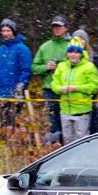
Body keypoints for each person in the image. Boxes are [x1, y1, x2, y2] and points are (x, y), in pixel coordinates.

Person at [51, 38, 98, 145]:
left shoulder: (89, 67)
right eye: (70, 51)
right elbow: (54, 84)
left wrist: (77, 88)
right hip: (65, 110)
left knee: (81, 141)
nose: (73, 55)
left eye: (76, 52)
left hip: (82, 111)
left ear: (81, 53)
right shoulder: (61, 66)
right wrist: (60, 89)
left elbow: (94, 86)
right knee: (67, 140)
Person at [32, 14, 72, 143]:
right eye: (54, 27)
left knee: (68, 120)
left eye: (59, 26)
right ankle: (54, 148)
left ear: (66, 28)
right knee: (53, 120)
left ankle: (68, 145)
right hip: (49, 89)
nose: (56, 29)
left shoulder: (73, 44)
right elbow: (34, 68)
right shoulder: (45, 46)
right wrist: (46, 67)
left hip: (68, 89)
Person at [0, 18, 32, 131]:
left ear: (13, 32)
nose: (5, 34)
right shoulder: (0, 50)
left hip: (15, 93)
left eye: (8, 31)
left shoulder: (22, 49)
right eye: (3, 31)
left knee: (14, 125)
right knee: (1, 126)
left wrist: (20, 85)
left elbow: (26, 70)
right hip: (1, 93)